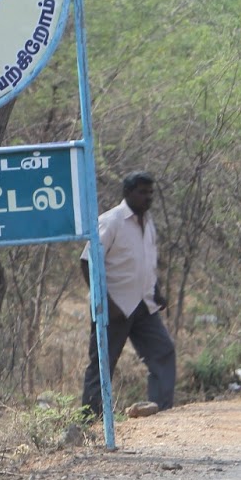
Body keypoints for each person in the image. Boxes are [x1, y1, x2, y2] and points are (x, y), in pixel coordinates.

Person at [81, 171, 176, 418]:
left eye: (150, 193)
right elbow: (87, 261)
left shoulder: (148, 222)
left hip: (144, 305)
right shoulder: (111, 221)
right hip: (114, 307)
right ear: (127, 193)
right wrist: (104, 300)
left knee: (163, 351)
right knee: (103, 364)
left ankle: (161, 412)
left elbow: (146, 262)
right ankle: (91, 419)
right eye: (142, 192)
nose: (148, 197)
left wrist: (156, 292)